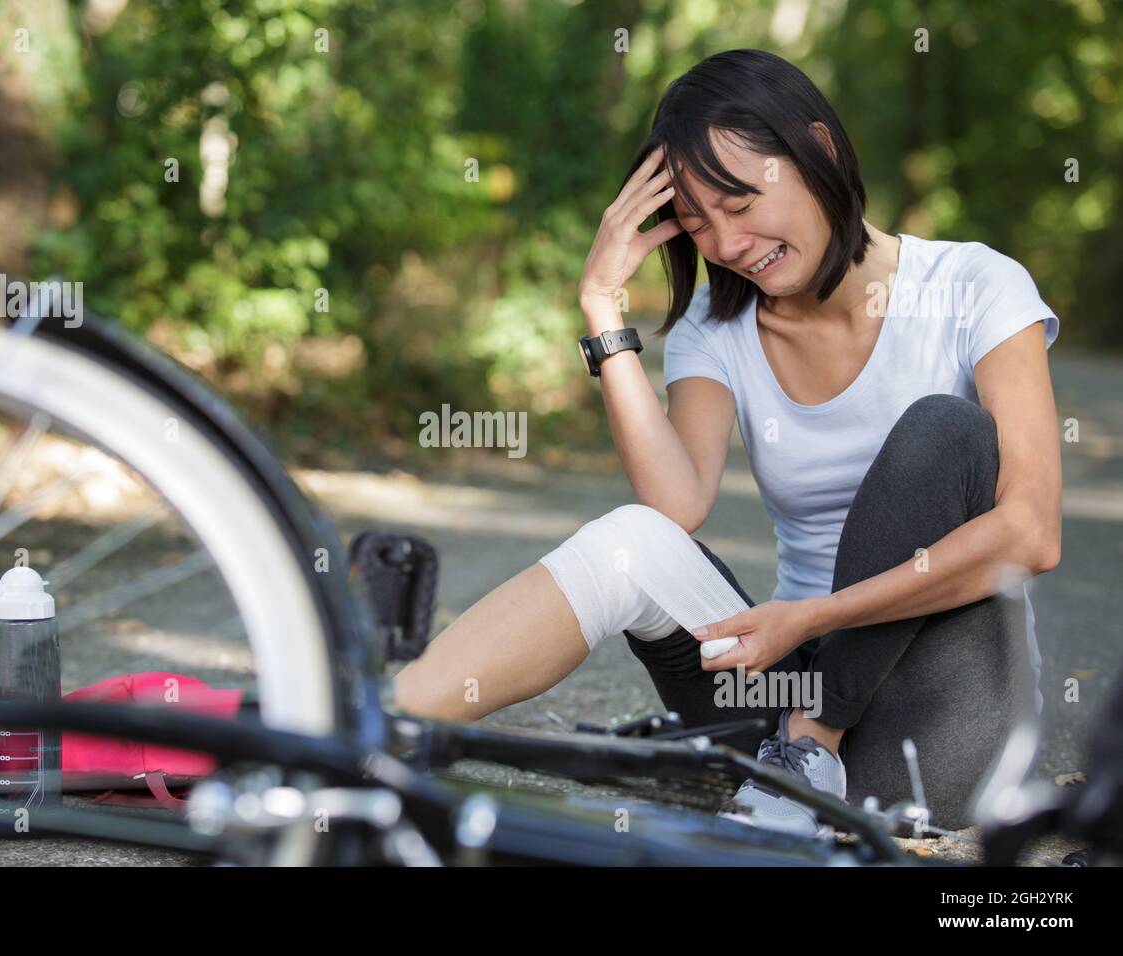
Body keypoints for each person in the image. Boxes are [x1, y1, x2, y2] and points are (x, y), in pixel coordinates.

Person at [393, 49, 1061, 836]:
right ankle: (365, 727)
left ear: (821, 147)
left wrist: (813, 622)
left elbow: (1032, 533)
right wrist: (602, 308)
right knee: (630, 541)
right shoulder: (717, 327)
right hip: (772, 702)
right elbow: (677, 505)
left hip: (936, 726)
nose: (728, 244)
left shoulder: (976, 286)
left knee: (942, 429)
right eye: (700, 223)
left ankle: (812, 745)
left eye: (741, 204)